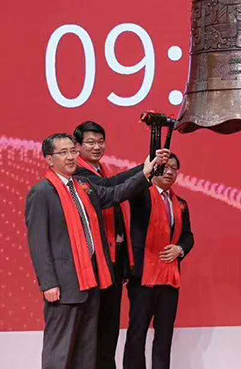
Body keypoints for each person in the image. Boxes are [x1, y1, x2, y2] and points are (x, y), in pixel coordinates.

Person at [25, 133, 163, 369]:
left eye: (73, 151)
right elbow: (38, 242)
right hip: (64, 285)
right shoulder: (42, 192)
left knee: (87, 351)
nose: (71, 157)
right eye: (63, 152)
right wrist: (48, 283)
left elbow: (115, 194)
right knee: (60, 351)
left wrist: (145, 173)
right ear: (49, 159)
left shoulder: (84, 186)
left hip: (92, 281)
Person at [73, 120, 143, 369]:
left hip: (113, 263)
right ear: (77, 146)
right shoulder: (78, 175)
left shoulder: (102, 170)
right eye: (90, 142)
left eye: (101, 142)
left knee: (109, 328)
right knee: (95, 330)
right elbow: (112, 190)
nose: (97, 147)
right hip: (94, 266)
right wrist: (145, 170)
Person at [123, 154, 194, 369]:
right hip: (143, 277)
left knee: (164, 335)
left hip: (170, 278)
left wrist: (180, 249)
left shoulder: (180, 204)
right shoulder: (141, 195)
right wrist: (148, 165)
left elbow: (188, 235)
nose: (170, 172)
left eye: (174, 168)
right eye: (165, 167)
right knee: (137, 333)